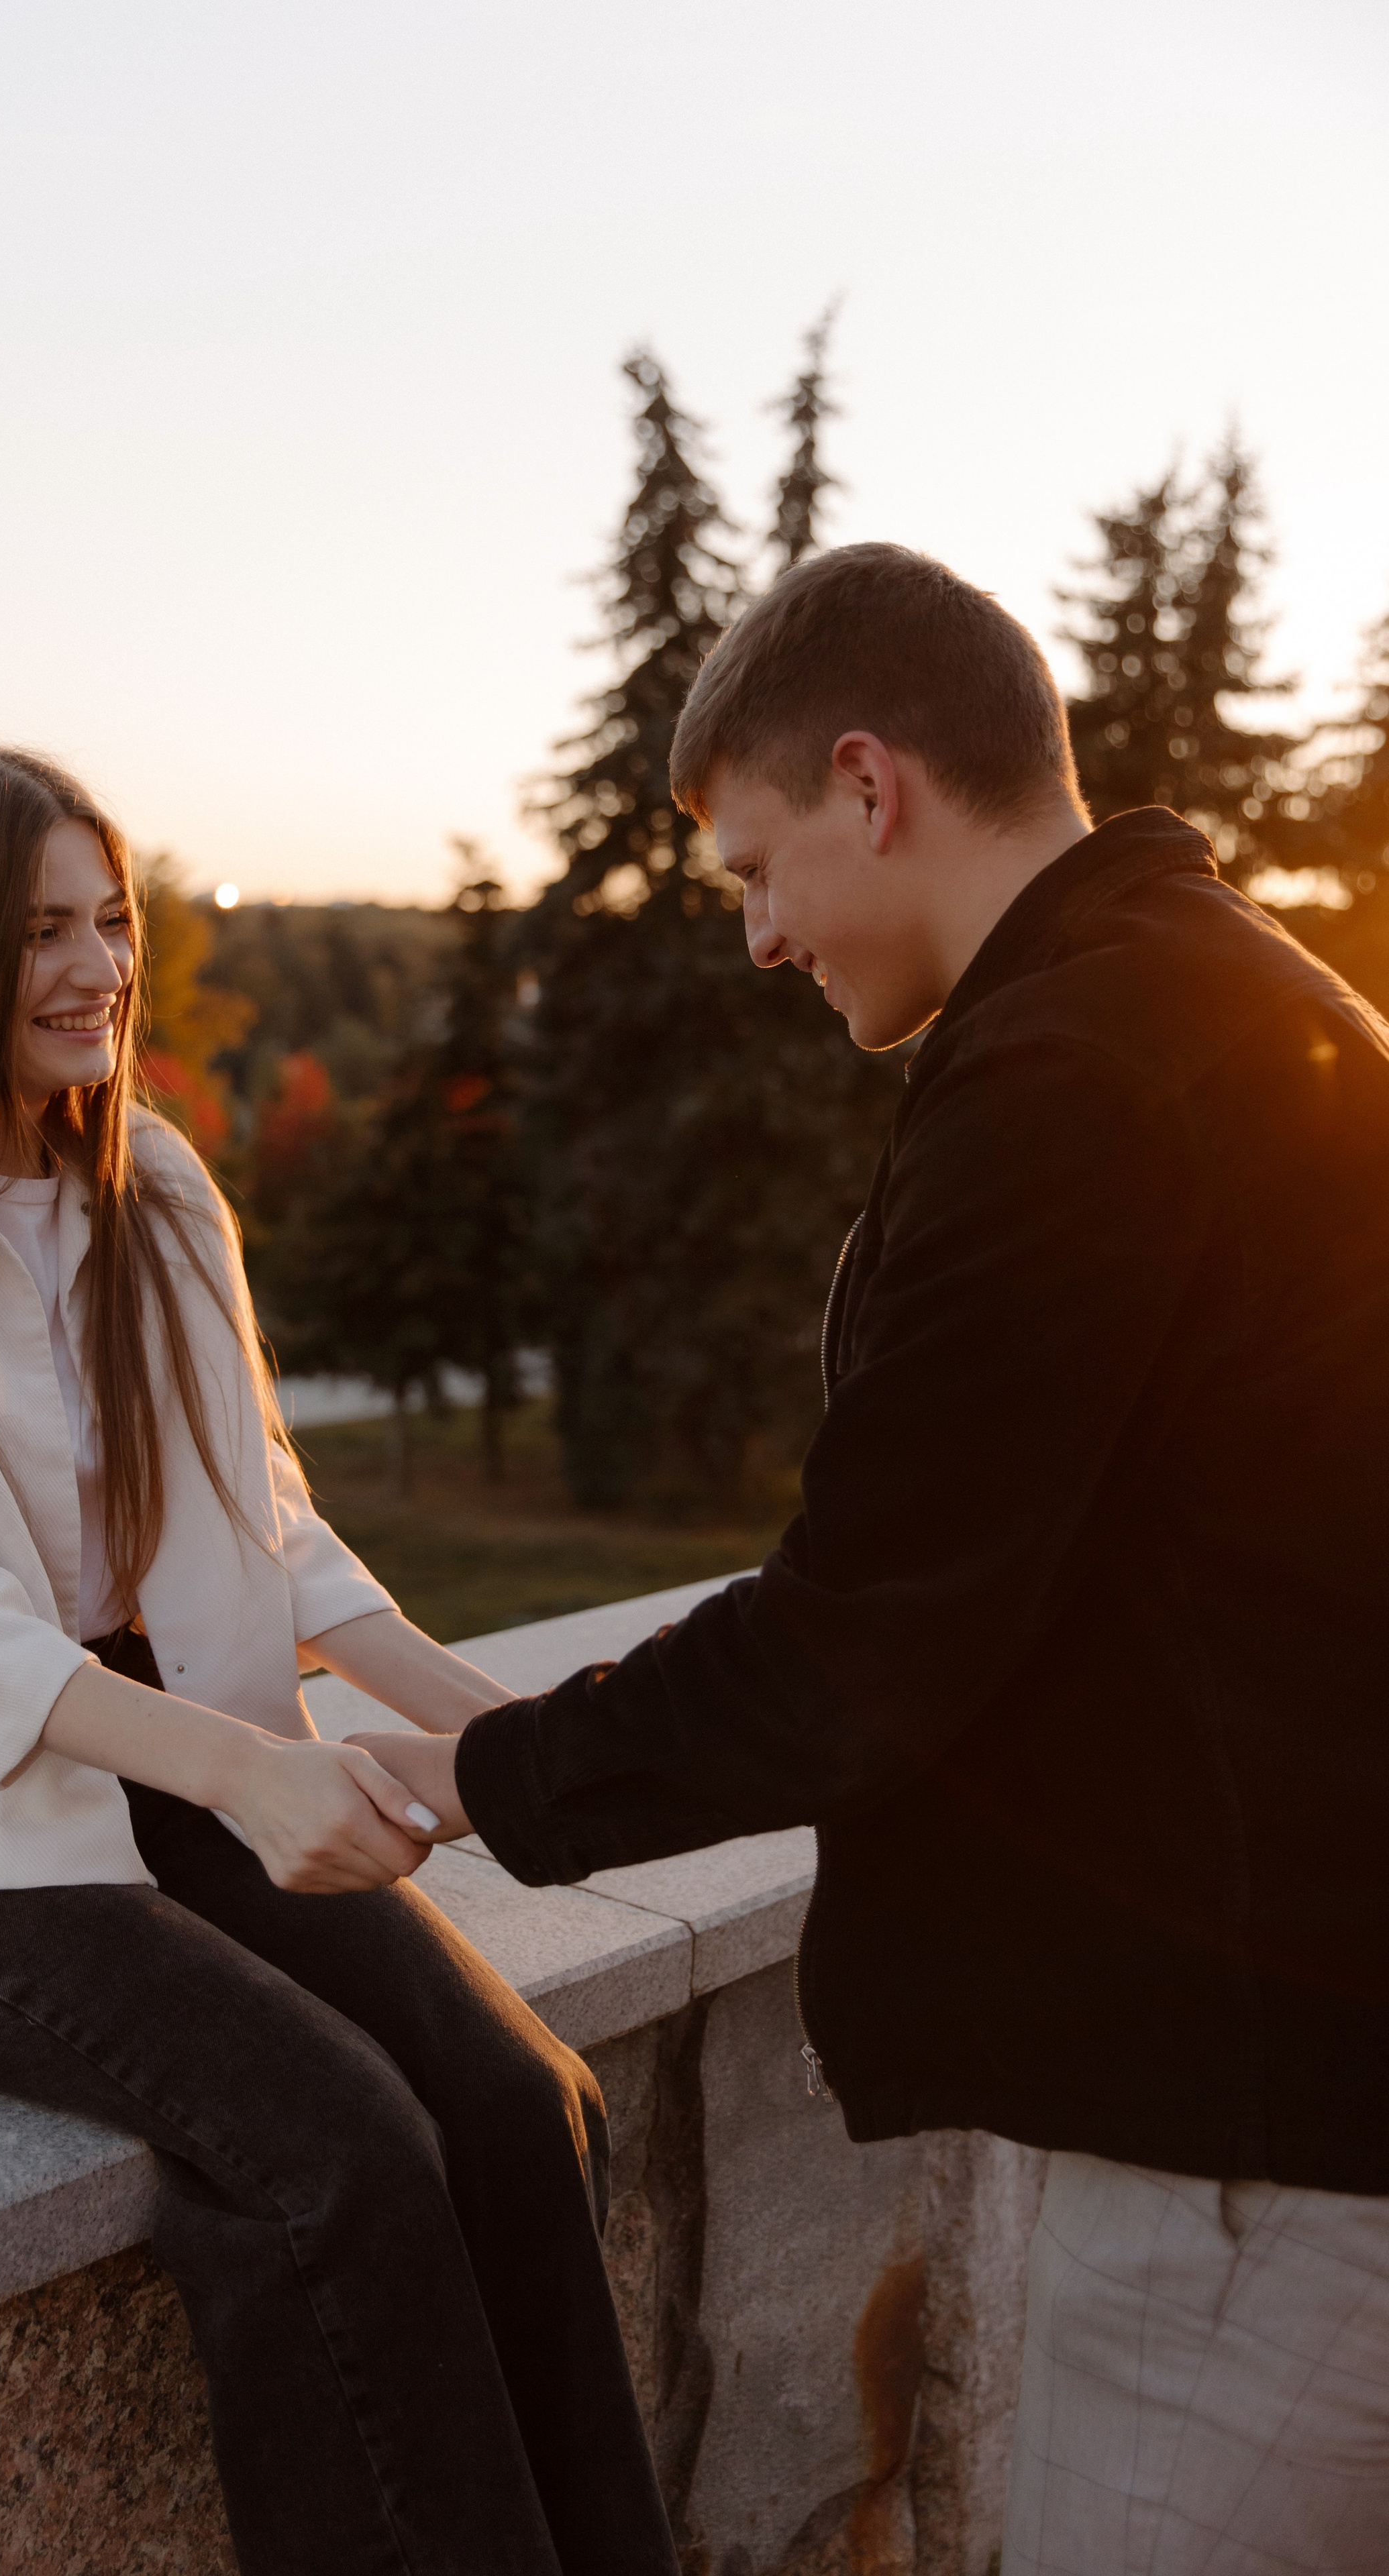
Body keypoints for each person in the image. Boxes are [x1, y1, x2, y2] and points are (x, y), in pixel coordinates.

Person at [356, 545, 1389, 2576]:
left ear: (868, 781)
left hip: (1262, 2162)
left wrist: (469, 1783)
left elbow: (869, 1634)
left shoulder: (1083, 1067)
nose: (755, 935)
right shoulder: (1230, 998)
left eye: (755, 868)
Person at [0, 740, 678, 2576]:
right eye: (40, 931)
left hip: (190, 1776)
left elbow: (265, 1519)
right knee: (343, 2156)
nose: (99, 969)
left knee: (522, 2106)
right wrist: (244, 1772)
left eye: (112, 919)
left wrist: (514, 1729)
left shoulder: (149, 1177)